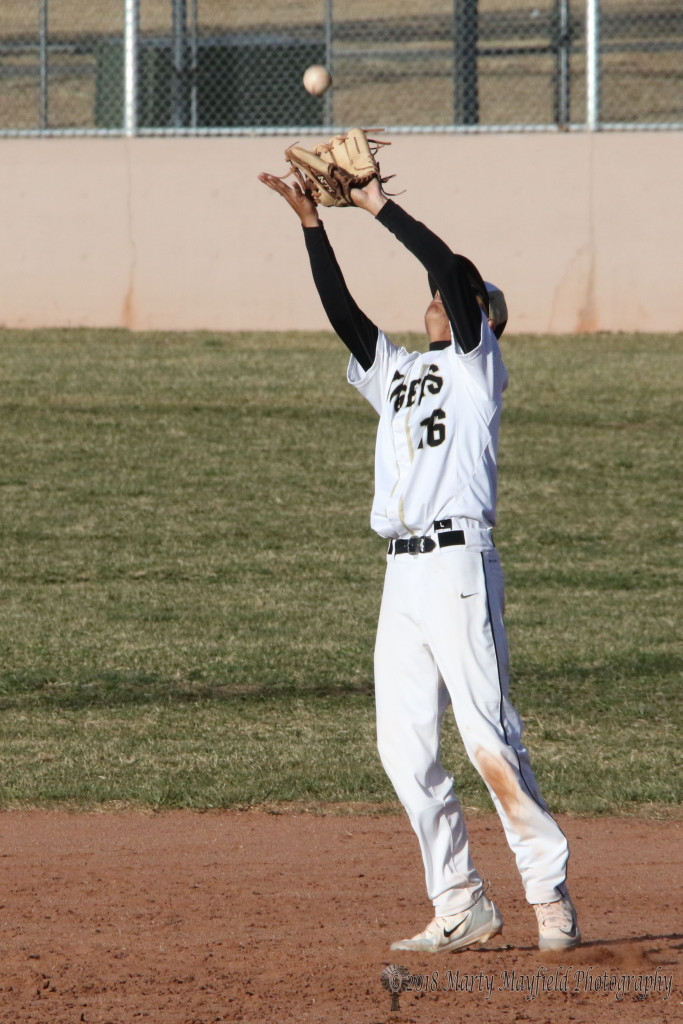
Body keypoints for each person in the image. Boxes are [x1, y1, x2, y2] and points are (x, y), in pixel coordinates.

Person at [258, 168, 581, 954]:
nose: (437, 298)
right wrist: (312, 226)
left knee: (488, 740)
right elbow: (344, 317)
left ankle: (547, 896)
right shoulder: (398, 372)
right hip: (401, 576)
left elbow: (445, 267)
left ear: (482, 317)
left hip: (458, 565)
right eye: (441, 295)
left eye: (458, 296)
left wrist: (377, 206)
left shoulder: (476, 370)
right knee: (403, 747)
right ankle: (459, 900)